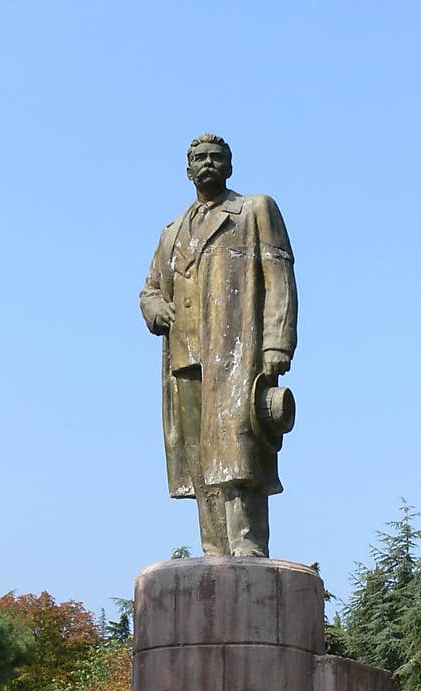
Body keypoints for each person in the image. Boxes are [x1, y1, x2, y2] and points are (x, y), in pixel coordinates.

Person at [140, 133, 298, 557]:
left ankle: (246, 545)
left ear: (229, 167)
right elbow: (151, 289)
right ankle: (213, 549)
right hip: (185, 356)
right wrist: (155, 309)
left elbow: (279, 276)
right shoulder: (171, 232)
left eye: (216, 157)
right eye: (199, 158)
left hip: (235, 349)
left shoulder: (253, 210)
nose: (207, 163)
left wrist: (276, 344)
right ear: (188, 170)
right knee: (198, 458)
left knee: (239, 446)